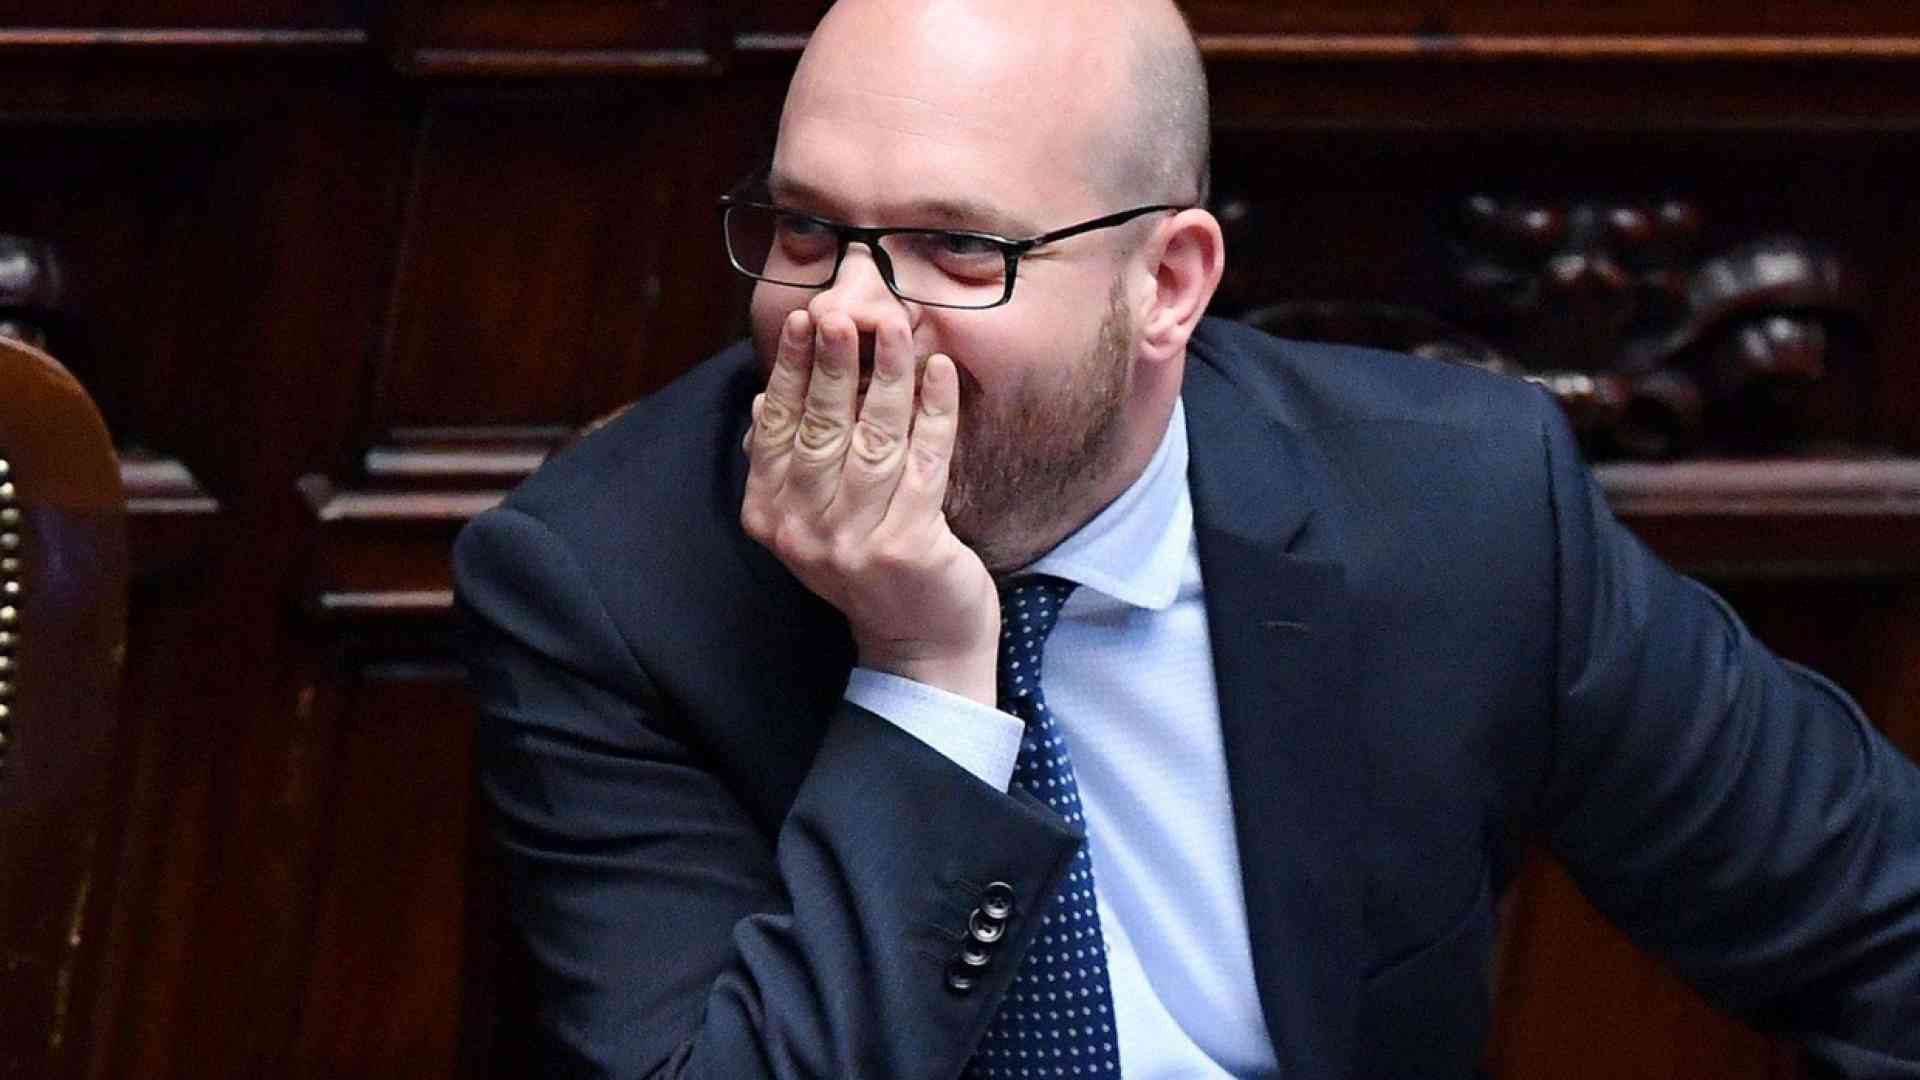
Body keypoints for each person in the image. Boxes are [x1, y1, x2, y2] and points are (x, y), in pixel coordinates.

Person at [452, 1, 1920, 1076]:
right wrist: (924, 680)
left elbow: (1880, 927)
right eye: (806, 231)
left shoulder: (1455, 506)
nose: (843, 318)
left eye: (961, 249)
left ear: (1167, 282)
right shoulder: (606, 589)